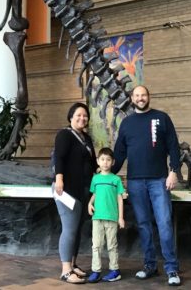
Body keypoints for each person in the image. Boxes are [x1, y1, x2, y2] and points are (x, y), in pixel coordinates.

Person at [113, 85, 181, 287]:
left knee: (164, 224)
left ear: (148, 97)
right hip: (135, 183)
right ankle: (150, 265)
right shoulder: (126, 123)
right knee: (143, 225)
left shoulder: (162, 118)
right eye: (137, 95)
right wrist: (105, 175)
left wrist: (173, 171)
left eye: (143, 95)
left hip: (159, 181)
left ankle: (171, 268)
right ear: (132, 99)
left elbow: (173, 146)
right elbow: (118, 154)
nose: (140, 98)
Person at [53, 102, 97, 284]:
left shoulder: (86, 138)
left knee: (77, 229)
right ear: (71, 117)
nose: (82, 118)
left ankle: (73, 263)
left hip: (82, 190)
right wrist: (59, 179)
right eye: (78, 115)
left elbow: (93, 163)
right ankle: (65, 270)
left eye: (85, 115)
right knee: (70, 229)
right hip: (67, 190)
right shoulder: (65, 135)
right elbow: (59, 157)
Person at [87, 147, 125, 283]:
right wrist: (89, 203)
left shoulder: (116, 180)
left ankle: (115, 270)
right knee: (96, 245)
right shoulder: (95, 179)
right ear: (98, 161)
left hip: (112, 218)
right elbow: (94, 194)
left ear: (113, 162)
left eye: (108, 160)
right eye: (102, 159)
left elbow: (120, 198)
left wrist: (120, 217)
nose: (105, 162)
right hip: (97, 217)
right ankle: (96, 271)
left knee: (112, 245)